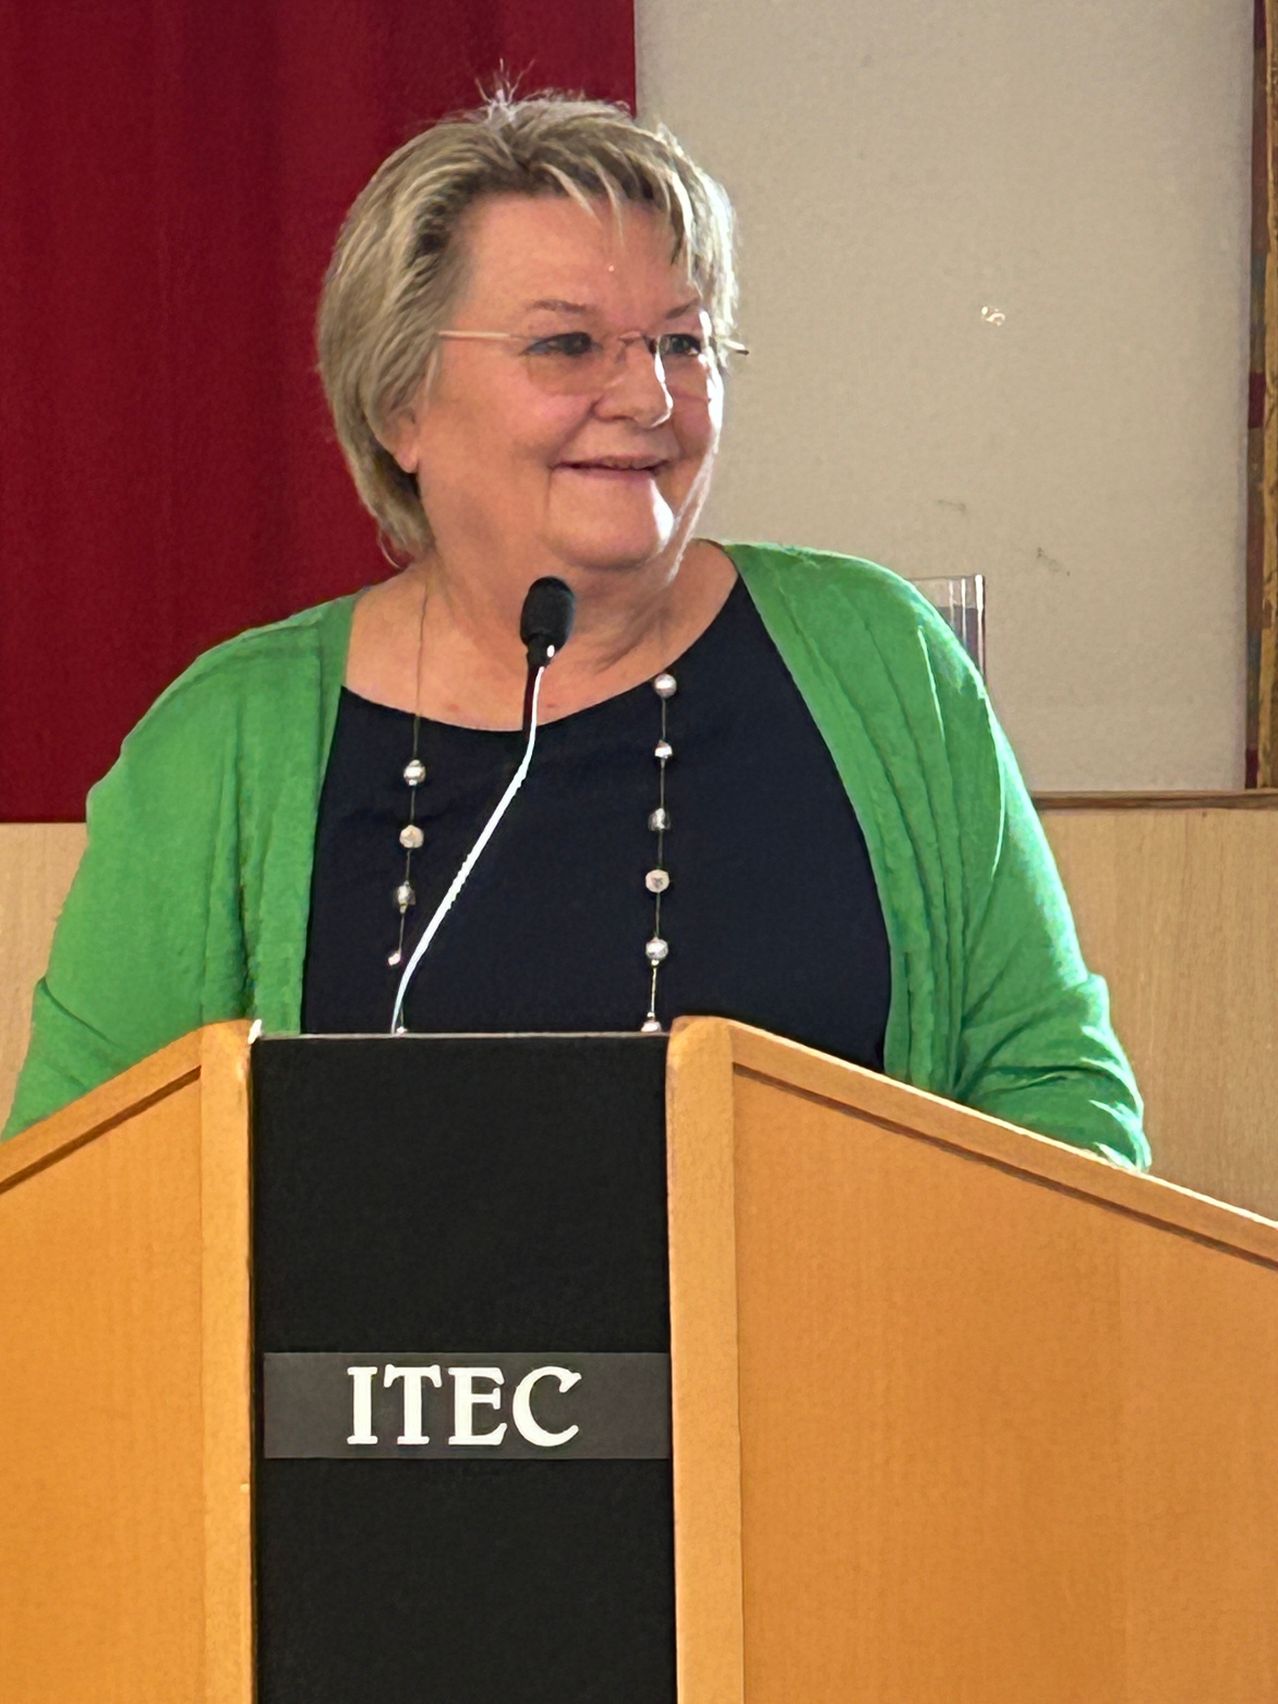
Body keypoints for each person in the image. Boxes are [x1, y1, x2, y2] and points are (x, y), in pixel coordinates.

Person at [2, 91, 1147, 1167]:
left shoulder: (882, 663)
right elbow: (77, 1200)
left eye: (683, 344)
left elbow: (1060, 1100)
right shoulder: (224, 744)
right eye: (567, 345)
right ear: (401, 401)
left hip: (847, 1371)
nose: (649, 398)